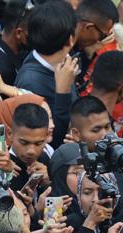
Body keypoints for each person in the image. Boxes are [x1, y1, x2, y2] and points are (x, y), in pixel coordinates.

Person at [14, 1, 78, 141]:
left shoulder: (63, 61)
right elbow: (50, 139)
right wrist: (62, 92)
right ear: (70, 39)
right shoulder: (31, 82)